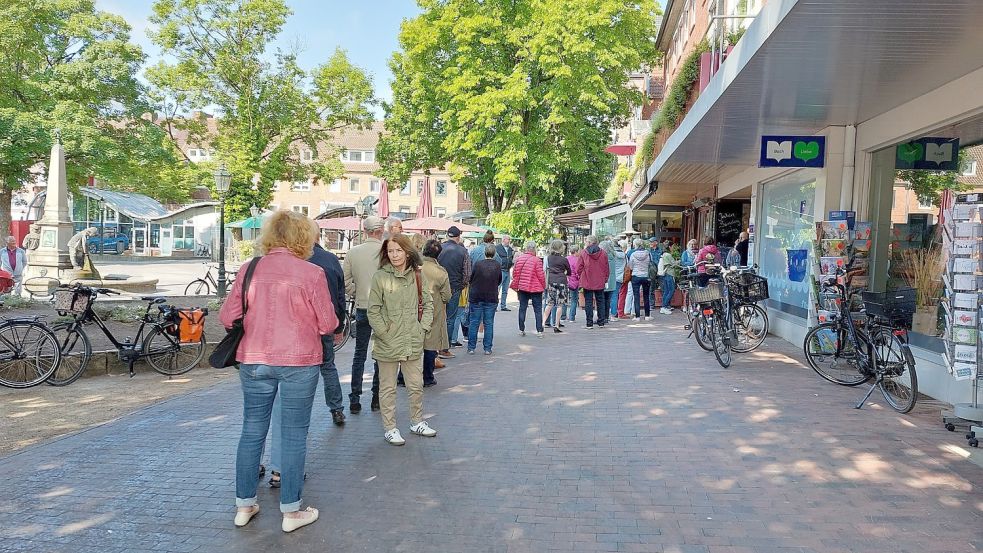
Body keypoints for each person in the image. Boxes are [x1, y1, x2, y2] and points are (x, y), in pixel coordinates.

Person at [221, 210, 336, 533]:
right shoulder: (312, 273)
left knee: (252, 430)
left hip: (255, 359)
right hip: (299, 361)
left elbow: (228, 316)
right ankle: (291, 510)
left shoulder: (250, 269)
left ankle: (244, 505)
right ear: (303, 238)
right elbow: (327, 323)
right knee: (294, 434)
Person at [367, 234, 437, 446]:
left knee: (415, 385)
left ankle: (417, 421)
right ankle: (390, 427)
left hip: (412, 340)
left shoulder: (418, 275)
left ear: (408, 252)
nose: (394, 255)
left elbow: (428, 303)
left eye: (398, 250)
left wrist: (421, 328)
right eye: (390, 251)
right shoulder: (380, 277)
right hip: (388, 342)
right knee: (387, 388)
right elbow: (373, 311)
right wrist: (384, 333)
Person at [343, 216, 385, 413]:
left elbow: (346, 281)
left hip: (362, 306)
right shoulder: (386, 252)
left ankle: (355, 397)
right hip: (382, 309)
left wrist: (356, 292)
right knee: (380, 354)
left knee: (359, 353)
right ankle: (376, 397)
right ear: (380, 230)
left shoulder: (353, 252)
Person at [420, 239, 450, 384]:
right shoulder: (440, 272)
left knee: (412, 343)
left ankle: (402, 376)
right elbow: (447, 296)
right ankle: (427, 376)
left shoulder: (414, 266)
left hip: (414, 309)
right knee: (430, 344)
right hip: (433, 310)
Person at [438, 226, 470, 356]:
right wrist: (462, 285)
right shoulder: (463, 251)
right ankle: (445, 348)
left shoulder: (439, 248)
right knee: (450, 318)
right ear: (458, 237)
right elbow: (467, 273)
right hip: (454, 287)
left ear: (447, 235)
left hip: (437, 286)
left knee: (436, 317)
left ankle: (433, 347)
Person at [467, 244, 502, 353]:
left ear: (484, 253)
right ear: (495, 254)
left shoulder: (478, 264)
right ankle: (487, 348)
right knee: (489, 323)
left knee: (474, 322)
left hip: (477, 296)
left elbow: (471, 278)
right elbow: (499, 280)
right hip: (491, 296)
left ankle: (471, 348)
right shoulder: (497, 265)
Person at [510, 240, 546, 337]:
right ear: (534, 249)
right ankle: (539, 331)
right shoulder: (537, 260)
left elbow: (515, 274)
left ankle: (521, 329)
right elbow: (541, 275)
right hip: (536, 288)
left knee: (522, 308)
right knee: (538, 309)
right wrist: (544, 286)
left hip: (522, 287)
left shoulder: (520, 259)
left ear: (526, 248)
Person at [577, 235, 610, 329]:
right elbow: (606, 267)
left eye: (586, 241)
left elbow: (578, 267)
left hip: (587, 280)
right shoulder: (603, 253)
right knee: (600, 301)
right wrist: (605, 278)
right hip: (600, 280)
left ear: (590, 242)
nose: (585, 243)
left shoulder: (584, 253)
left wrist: (581, 275)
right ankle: (601, 322)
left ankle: (589, 323)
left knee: (588, 302)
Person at [544, 240, 571, 333]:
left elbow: (546, 269)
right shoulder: (564, 259)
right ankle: (556, 325)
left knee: (549, 303)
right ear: (561, 248)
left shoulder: (549, 258)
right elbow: (569, 271)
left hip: (551, 281)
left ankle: (542, 323)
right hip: (561, 282)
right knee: (560, 305)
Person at [627, 238, 652, 321]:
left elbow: (630, 266)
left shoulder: (633, 254)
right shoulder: (648, 253)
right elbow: (650, 264)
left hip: (635, 276)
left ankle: (637, 317)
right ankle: (647, 316)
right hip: (645, 276)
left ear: (635, 245)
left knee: (636, 296)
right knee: (646, 296)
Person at [496, 235, 515, 311]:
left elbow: (511, 258)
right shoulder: (497, 248)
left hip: (507, 270)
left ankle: (503, 305)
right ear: (503, 240)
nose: (509, 241)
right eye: (508, 239)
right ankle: (495, 305)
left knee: (505, 290)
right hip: (500, 270)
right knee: (497, 289)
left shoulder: (510, 249)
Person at [658, 246, 678, 315]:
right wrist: (678, 262)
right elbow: (673, 264)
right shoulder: (668, 255)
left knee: (666, 291)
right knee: (671, 290)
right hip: (670, 273)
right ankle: (664, 307)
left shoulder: (663, 255)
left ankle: (664, 306)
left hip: (665, 274)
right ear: (670, 247)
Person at [609, 239, 626, 319]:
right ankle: (614, 313)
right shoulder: (623, 254)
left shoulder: (612, 254)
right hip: (620, 277)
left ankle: (611, 313)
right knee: (616, 295)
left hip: (611, 277)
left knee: (610, 295)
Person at [565, 244, 581, 323]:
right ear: (576, 251)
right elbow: (578, 272)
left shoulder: (566, 258)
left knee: (564, 299)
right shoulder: (577, 260)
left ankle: (563, 316)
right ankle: (571, 317)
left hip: (566, 280)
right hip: (574, 282)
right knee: (574, 300)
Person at [616, 239, 631, 318]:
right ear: (624, 248)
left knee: (614, 295)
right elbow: (628, 266)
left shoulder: (613, 254)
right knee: (622, 295)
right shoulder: (625, 256)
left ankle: (613, 313)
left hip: (613, 277)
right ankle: (620, 312)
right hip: (623, 277)